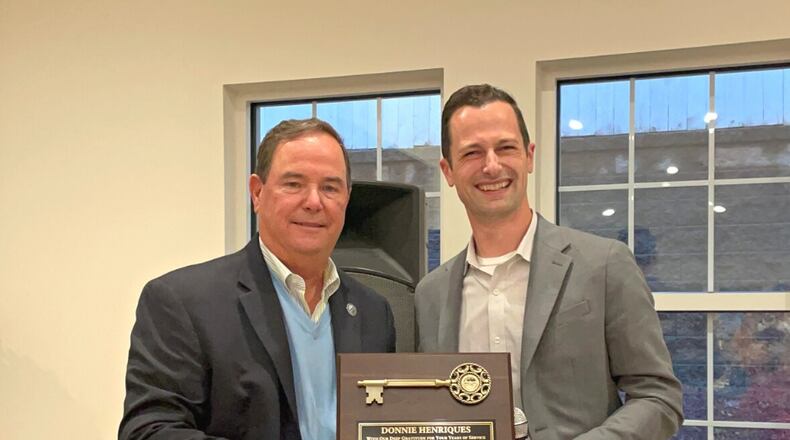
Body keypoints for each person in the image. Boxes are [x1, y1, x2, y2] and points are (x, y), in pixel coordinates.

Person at [415, 84, 682, 439]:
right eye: (472, 153)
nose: (492, 166)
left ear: (529, 155)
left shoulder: (603, 265)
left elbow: (659, 397)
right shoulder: (429, 294)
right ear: (448, 171)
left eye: (505, 147)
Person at [120, 119, 396, 440]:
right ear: (257, 193)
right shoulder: (181, 302)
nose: (313, 201)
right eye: (293, 184)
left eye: (330, 187)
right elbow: (148, 431)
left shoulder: (374, 313)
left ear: (347, 198)